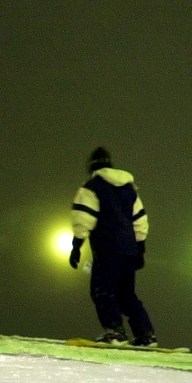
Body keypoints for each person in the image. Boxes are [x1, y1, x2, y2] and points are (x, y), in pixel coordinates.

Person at [68, 146, 155, 347]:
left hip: (107, 250)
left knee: (102, 291)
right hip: (129, 250)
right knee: (126, 294)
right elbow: (140, 221)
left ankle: (114, 332)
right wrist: (140, 249)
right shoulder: (129, 189)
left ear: (92, 167)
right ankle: (146, 334)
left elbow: (83, 217)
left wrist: (77, 246)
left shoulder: (91, 187)